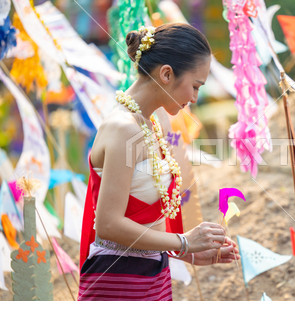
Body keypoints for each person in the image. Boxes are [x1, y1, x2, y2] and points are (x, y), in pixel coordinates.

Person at [78, 23, 239, 301]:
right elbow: (109, 225)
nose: (194, 98)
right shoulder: (123, 128)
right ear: (166, 73)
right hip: (118, 281)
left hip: (155, 275)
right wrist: (184, 241)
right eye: (195, 86)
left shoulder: (157, 119)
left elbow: (148, 218)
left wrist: (185, 251)